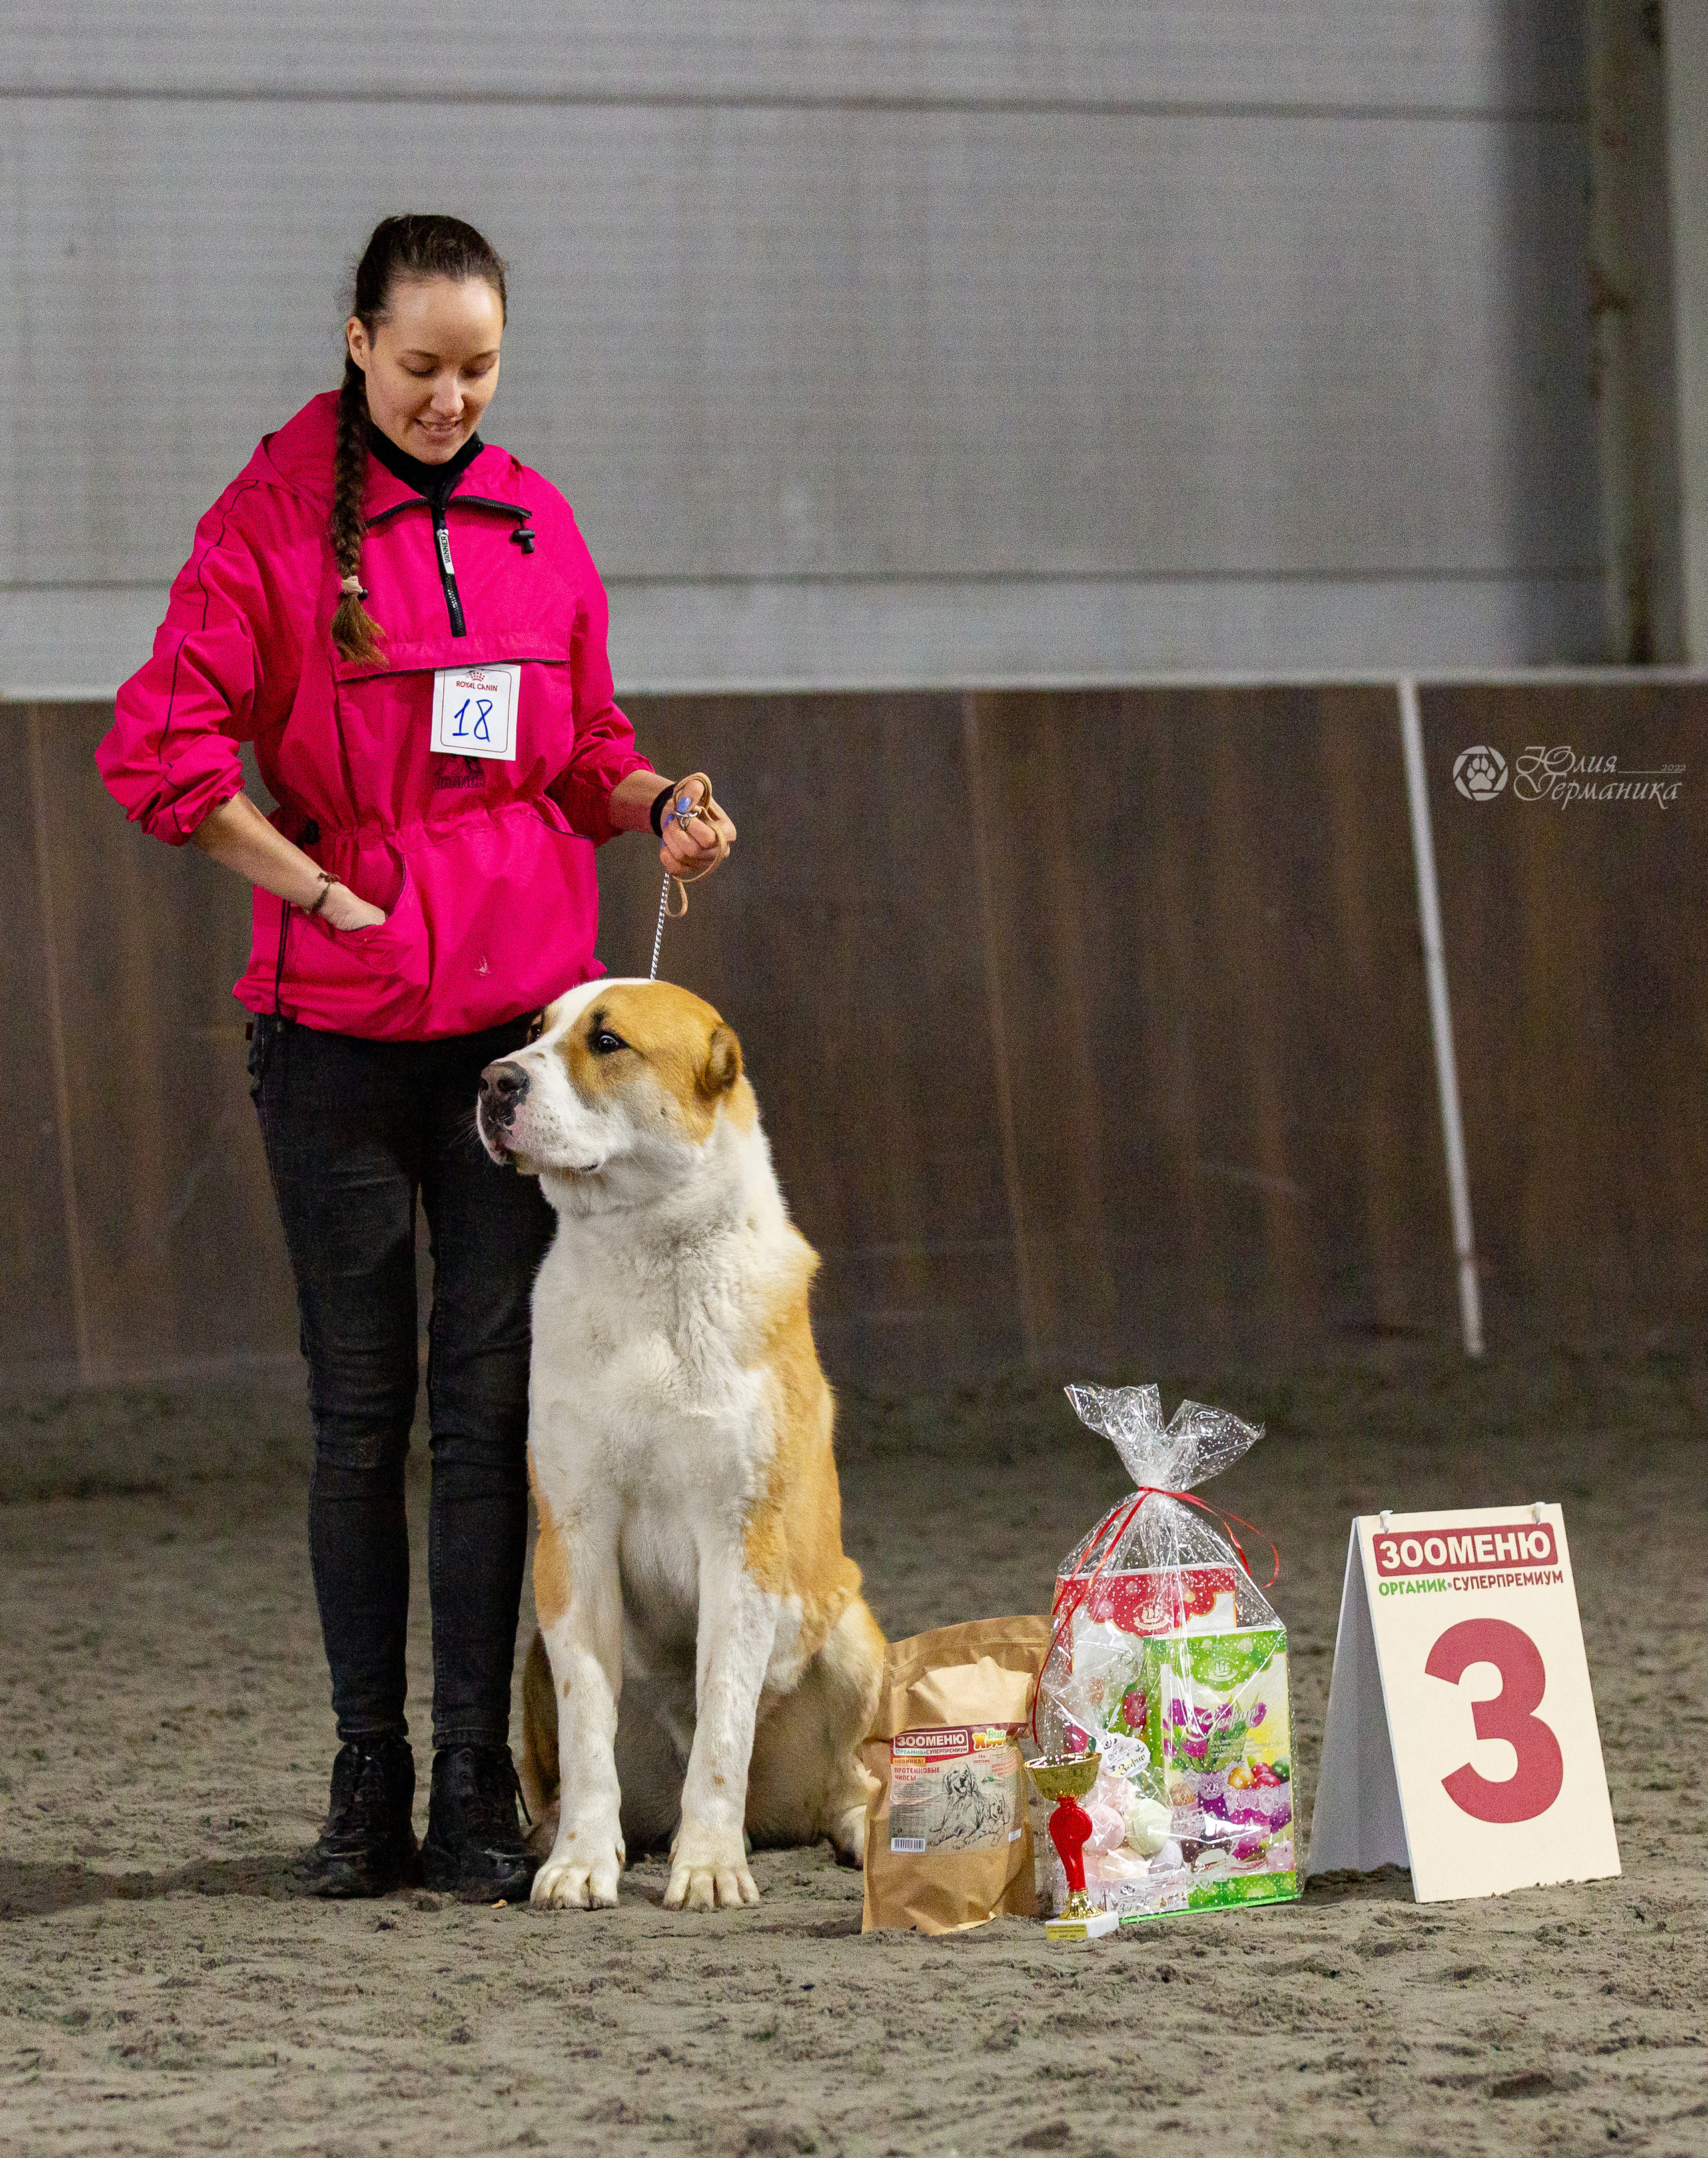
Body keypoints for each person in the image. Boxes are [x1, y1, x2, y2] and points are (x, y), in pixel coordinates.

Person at [95, 213, 735, 1901]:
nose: (452, 397)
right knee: (359, 1409)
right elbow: (154, 751)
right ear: (359, 341)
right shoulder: (265, 535)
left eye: (481, 369)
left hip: (514, 1058)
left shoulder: (535, 524)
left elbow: (582, 749)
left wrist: (657, 799)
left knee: (488, 1409)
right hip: (337, 1050)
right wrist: (314, 885)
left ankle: (471, 1782)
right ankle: (361, 1778)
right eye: (424, 364)